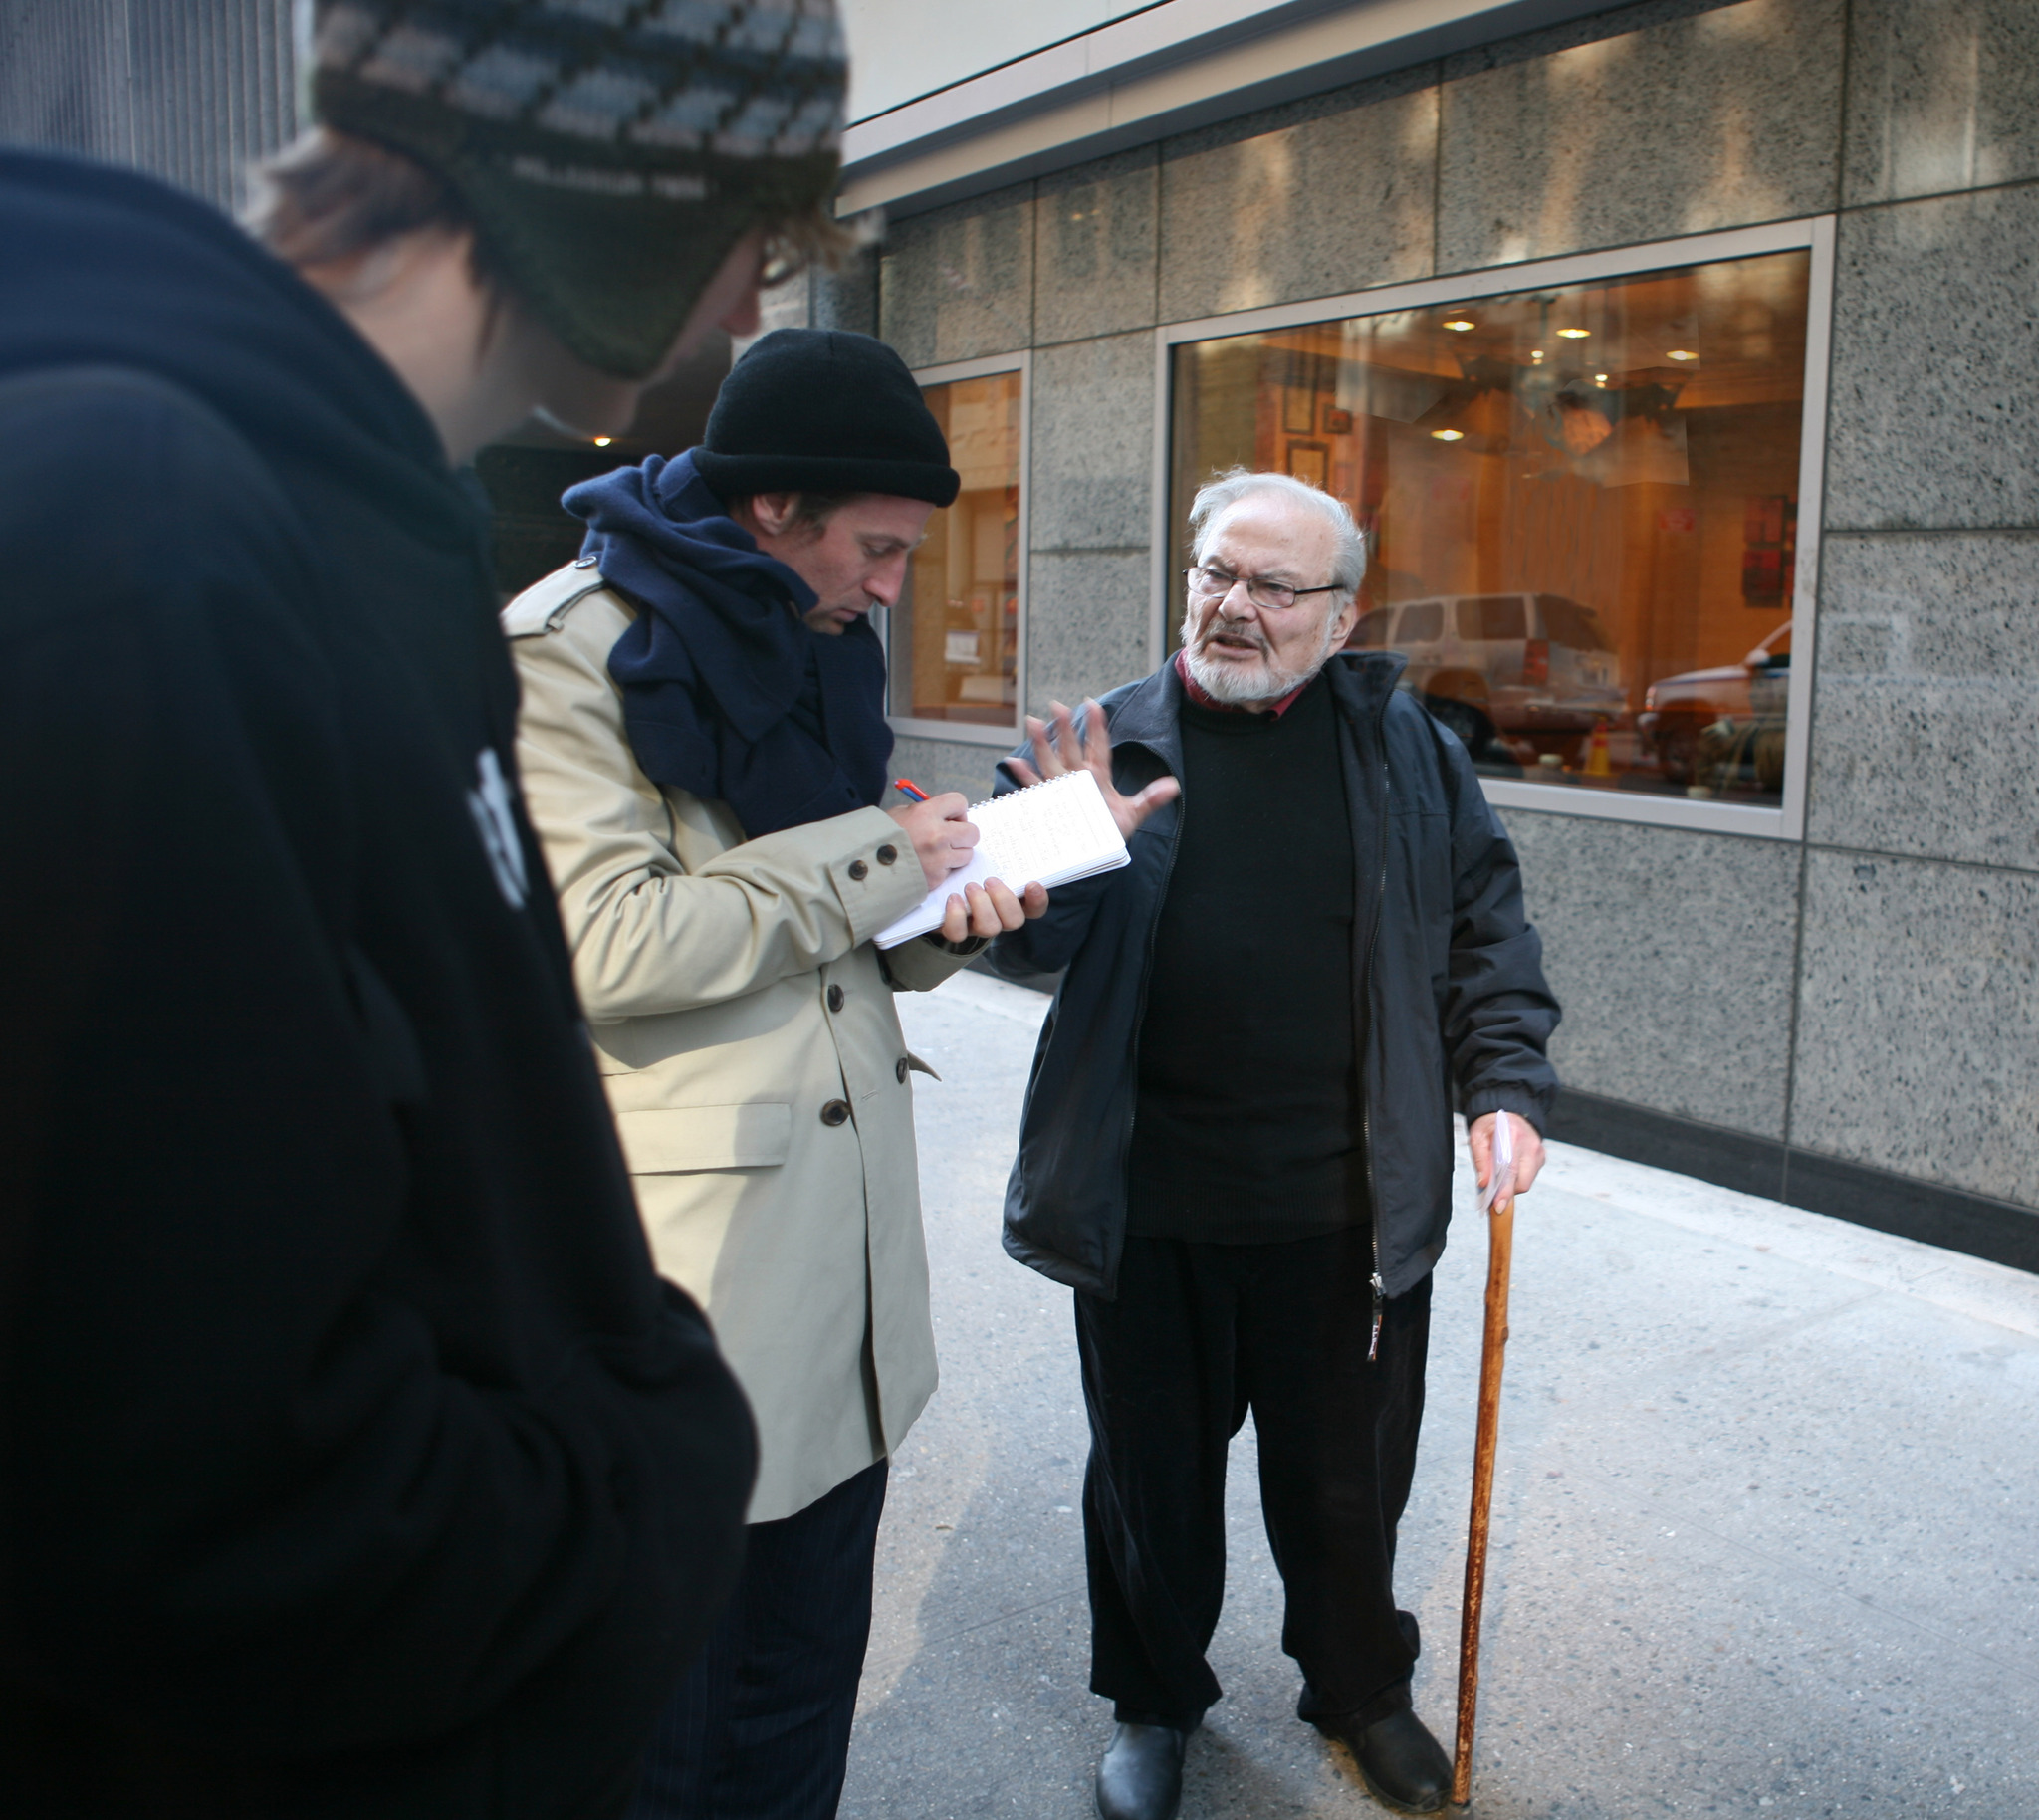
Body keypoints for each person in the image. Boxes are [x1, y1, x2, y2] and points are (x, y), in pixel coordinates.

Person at [0, 3, 855, 1813]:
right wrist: (640, 1501)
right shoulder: (132, 542)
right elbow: (185, 1475)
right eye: (755, 246)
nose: (744, 320)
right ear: (617, 190)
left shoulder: (372, 536)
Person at [505, 325, 1172, 1818]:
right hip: (692, 1298)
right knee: (666, 1744)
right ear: (770, 511)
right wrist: (886, 855)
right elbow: (607, 944)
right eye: (876, 549)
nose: (891, 587)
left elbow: (838, 943)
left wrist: (967, 905)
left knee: (801, 1717)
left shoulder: (821, 645)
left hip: (845, 1290)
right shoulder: (572, 651)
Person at [982, 470, 1561, 1820]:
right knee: (1148, 1484)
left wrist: (1507, 1087)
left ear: (1342, 617)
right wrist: (1043, 862)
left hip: (1346, 1208)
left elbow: (1487, 932)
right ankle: (1153, 1698)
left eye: (1274, 587)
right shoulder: (1107, 743)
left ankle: (1359, 1687)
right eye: (1214, 575)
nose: (1234, 607)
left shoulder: (1410, 753)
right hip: (1147, 1202)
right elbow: (1023, 940)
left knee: (1347, 1488)